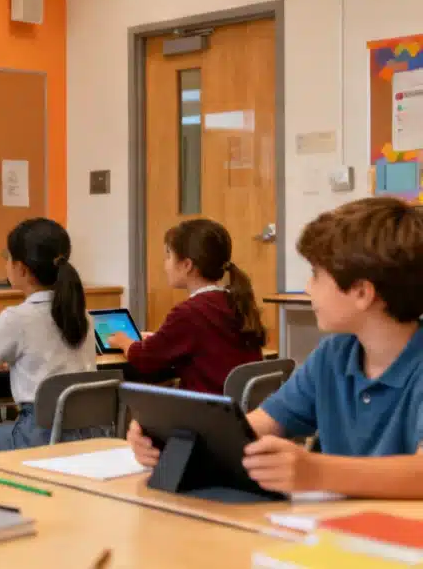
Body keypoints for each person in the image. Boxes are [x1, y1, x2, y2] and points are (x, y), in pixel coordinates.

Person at [127, 197, 423, 497]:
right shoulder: (334, 355)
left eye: (316, 275)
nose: (308, 287)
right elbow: (256, 426)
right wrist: (172, 438)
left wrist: (317, 471)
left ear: (361, 292)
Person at [0, 218, 101, 457]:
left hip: (39, 436)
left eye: (8, 256)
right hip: (89, 433)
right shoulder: (82, 315)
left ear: (21, 268)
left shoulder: (18, 317)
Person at [108, 218, 265, 394]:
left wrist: (124, 342)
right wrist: (158, 338)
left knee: (136, 418)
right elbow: (206, 343)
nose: (165, 265)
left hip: (206, 410)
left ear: (187, 265)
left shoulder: (189, 312)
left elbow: (145, 358)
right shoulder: (234, 300)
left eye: (168, 256)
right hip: (237, 408)